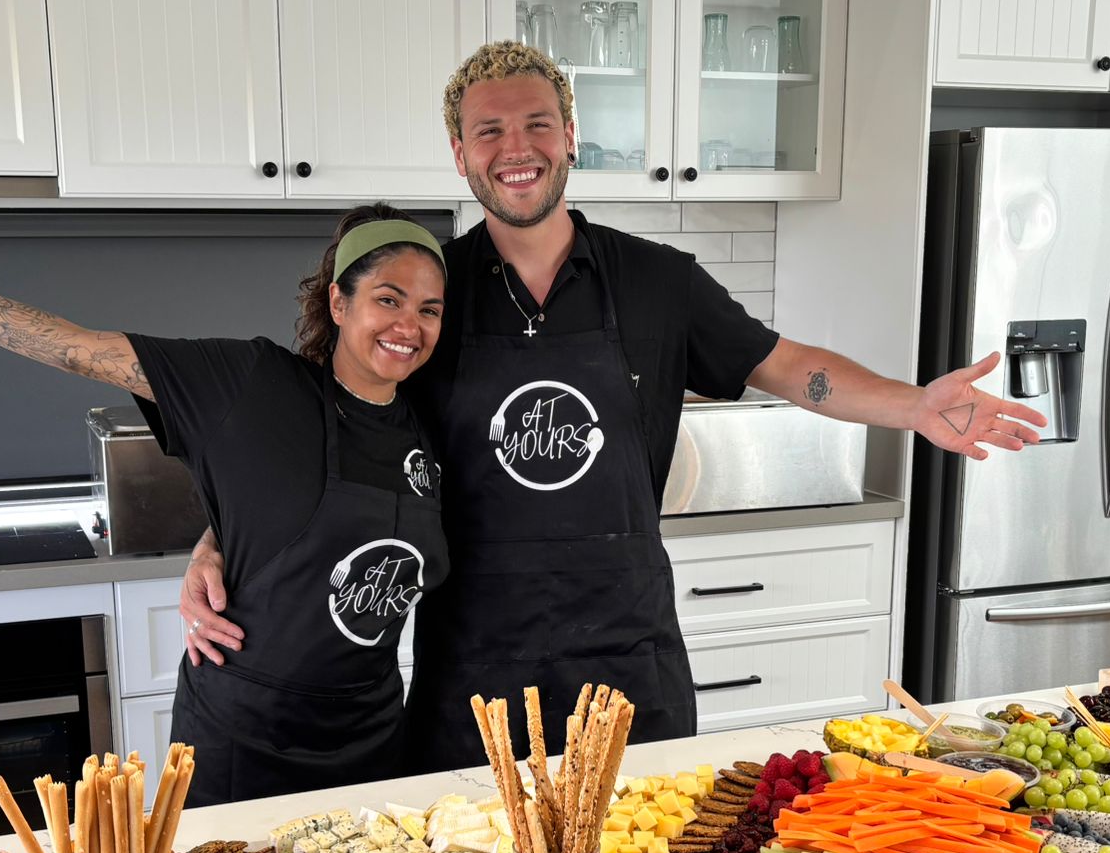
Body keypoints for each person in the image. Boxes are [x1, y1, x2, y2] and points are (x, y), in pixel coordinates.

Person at [180, 41, 1046, 774]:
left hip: (627, 661)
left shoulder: (658, 282)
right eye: (489, 131)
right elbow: (322, 432)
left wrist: (915, 406)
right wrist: (218, 540)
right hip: (474, 676)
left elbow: (788, 367)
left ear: (570, 137)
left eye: (536, 124)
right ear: (460, 154)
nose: (515, 149)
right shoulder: (429, 294)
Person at [0, 204, 451, 801]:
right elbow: (74, 348)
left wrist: (213, 541)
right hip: (245, 741)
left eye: (429, 310)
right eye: (387, 299)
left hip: (368, 739)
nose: (408, 326)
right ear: (338, 303)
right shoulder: (252, 386)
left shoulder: (431, 429)